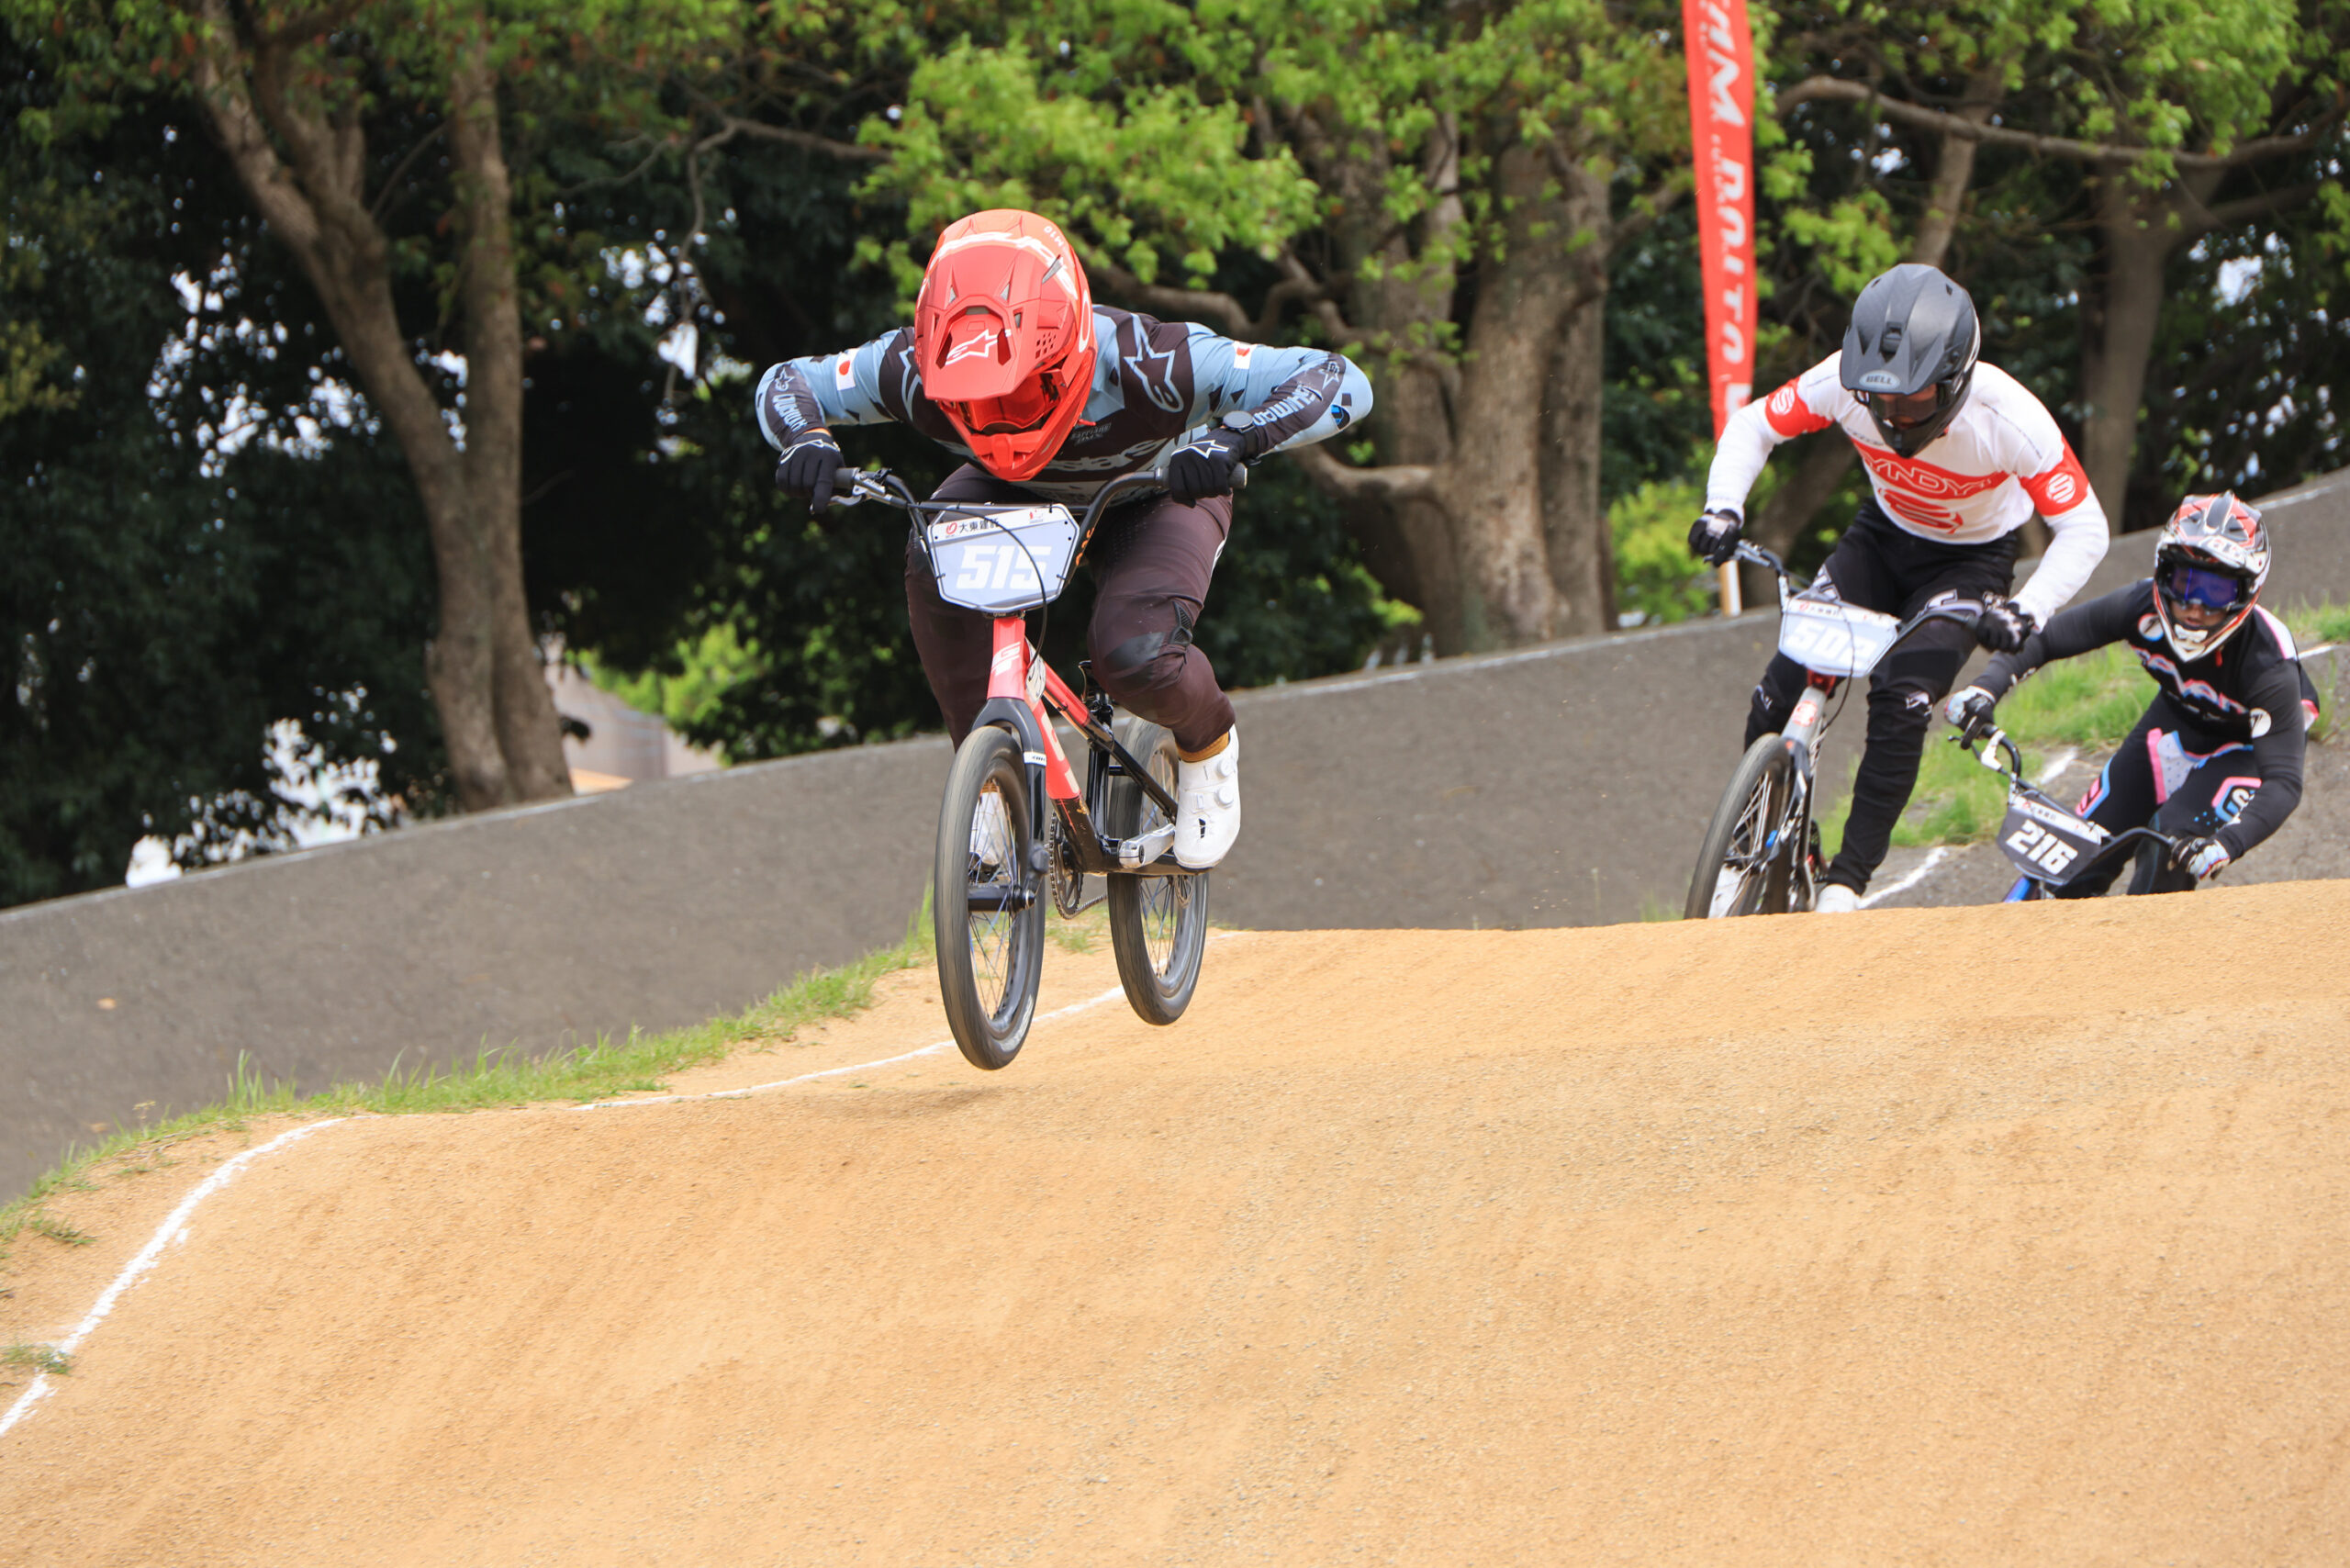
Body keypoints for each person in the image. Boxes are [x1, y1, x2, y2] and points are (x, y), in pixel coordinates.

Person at [756, 209, 1372, 869]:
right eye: (971, 404)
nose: (995, 419)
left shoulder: (1154, 360)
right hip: (1013, 491)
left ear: (1069, 350)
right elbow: (786, 381)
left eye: (1017, 396)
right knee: (932, 553)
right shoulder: (911, 367)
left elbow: (1341, 380)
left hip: (1160, 492)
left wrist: (1236, 437)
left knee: (1134, 655)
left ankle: (1209, 747)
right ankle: (991, 774)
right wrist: (808, 439)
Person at [1688, 263, 2109, 912]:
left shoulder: (2011, 417)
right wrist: (1723, 508)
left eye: (1912, 401)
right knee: (1778, 691)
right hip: (1881, 541)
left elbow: (2085, 527)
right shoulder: (1840, 383)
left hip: (1970, 565)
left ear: (1957, 380)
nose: (1890, 414)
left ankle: (1846, 884)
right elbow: (1753, 426)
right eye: (1876, 399)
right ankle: (1756, 841)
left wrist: (2026, 610)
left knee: (1902, 697)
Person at [1946, 492, 2318, 897]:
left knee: (2170, 842)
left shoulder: (2269, 665)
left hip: (2246, 747)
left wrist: (2227, 844)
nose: (2193, 606)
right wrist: (1985, 688)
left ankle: (2147, 957)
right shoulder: (2139, 605)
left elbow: (2283, 782)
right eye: (2183, 581)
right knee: (2069, 855)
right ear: (2161, 572)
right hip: (2176, 720)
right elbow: (2044, 640)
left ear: (2248, 592)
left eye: (2215, 592)